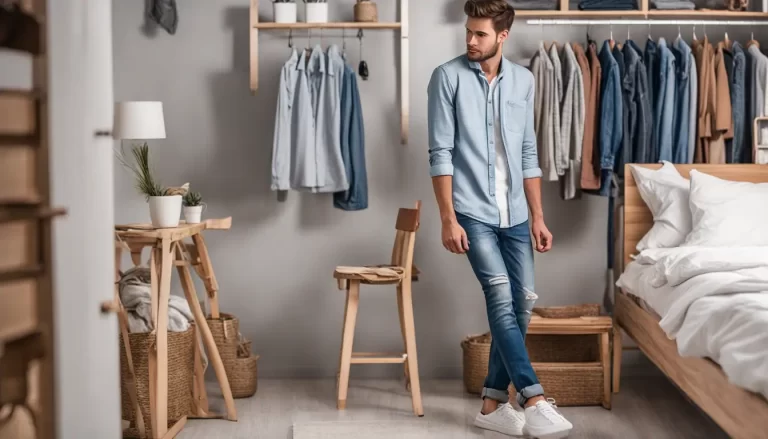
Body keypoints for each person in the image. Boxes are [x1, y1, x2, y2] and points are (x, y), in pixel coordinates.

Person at [427, 0, 574, 437]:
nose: (470, 40)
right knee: (498, 296)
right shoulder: (447, 77)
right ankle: (533, 395)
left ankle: (492, 403)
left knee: (523, 302)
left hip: (515, 215)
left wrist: (538, 216)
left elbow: (528, 152)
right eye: (468, 32)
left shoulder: (524, 81)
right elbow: (440, 153)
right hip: (472, 211)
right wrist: (448, 218)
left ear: (502, 36)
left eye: (480, 34)